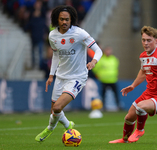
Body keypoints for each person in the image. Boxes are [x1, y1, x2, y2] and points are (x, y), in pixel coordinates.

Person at [35, 5, 103, 142]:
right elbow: (55, 56)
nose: (64, 22)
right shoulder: (52, 35)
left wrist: (94, 62)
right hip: (60, 77)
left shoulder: (80, 34)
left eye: (67, 19)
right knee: (53, 110)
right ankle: (56, 127)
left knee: (58, 107)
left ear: (71, 20)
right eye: (62, 19)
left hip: (77, 77)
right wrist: (51, 75)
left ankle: (62, 127)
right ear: (57, 20)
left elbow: (98, 50)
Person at [109, 26, 157, 144]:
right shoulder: (143, 56)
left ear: (155, 40)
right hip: (149, 93)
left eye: (149, 40)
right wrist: (133, 85)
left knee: (141, 107)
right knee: (129, 117)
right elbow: (143, 71)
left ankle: (140, 130)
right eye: (143, 40)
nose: (146, 43)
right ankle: (124, 140)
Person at [92, 46, 120, 110]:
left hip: (113, 80)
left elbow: (116, 68)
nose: (108, 52)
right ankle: (103, 106)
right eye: (107, 50)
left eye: (109, 50)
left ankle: (118, 106)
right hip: (104, 80)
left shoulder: (114, 59)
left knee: (116, 94)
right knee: (103, 95)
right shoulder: (101, 60)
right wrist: (99, 75)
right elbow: (95, 68)